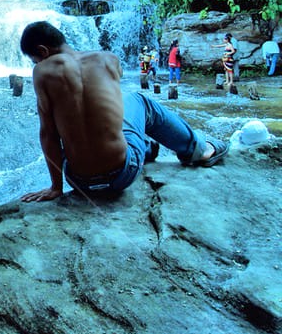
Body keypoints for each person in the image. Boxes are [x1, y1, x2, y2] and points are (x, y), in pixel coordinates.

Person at [18, 21, 229, 202]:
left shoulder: (42, 71)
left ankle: (147, 148)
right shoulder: (108, 59)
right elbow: (109, 93)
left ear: (43, 51)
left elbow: (48, 134)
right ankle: (198, 150)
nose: (36, 64)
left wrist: (56, 188)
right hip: (123, 174)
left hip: (78, 181)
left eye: (34, 60)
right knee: (137, 100)